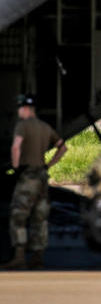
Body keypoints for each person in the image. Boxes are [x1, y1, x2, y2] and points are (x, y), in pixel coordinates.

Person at [1, 94, 67, 270]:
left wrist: (16, 168)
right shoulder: (45, 127)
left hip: (28, 176)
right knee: (40, 217)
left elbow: (16, 146)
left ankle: (19, 256)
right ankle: (38, 258)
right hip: (42, 176)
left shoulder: (22, 126)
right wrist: (49, 164)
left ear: (24, 108)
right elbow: (63, 147)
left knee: (18, 215)